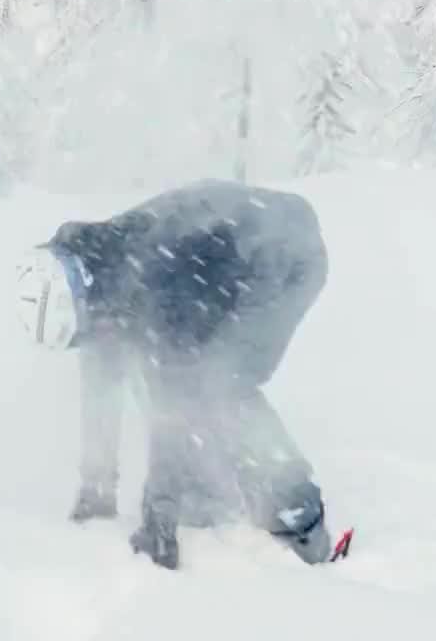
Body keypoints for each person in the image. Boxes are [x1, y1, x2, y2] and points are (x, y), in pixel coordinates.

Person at [16, 179, 331, 569]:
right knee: (189, 378)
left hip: (284, 259)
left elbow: (173, 407)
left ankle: (299, 516)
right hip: (223, 261)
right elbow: (100, 387)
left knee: (221, 382)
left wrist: (158, 517)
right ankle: (205, 488)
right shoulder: (89, 273)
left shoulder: (153, 284)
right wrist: (96, 490)